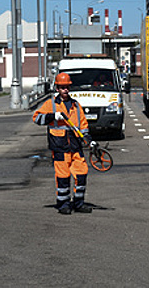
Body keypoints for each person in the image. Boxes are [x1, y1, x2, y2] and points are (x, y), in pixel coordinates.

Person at [33, 73, 97, 215]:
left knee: (81, 174)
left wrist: (89, 139)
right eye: (62, 87)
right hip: (60, 147)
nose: (65, 90)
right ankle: (63, 204)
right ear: (57, 88)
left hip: (75, 147)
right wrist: (51, 116)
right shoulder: (51, 104)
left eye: (67, 87)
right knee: (63, 177)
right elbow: (36, 118)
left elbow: (83, 126)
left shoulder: (75, 105)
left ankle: (79, 203)